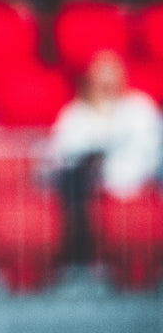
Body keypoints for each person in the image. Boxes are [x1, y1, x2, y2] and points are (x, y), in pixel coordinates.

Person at [48, 49, 163, 264]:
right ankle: (82, 262)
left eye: (112, 74)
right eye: (101, 75)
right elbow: (61, 154)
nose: (107, 81)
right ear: (90, 79)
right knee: (75, 183)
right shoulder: (75, 113)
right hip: (87, 191)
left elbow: (152, 149)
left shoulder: (140, 108)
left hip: (139, 182)